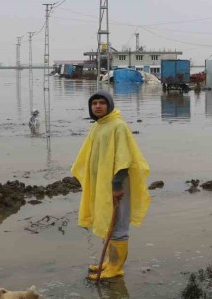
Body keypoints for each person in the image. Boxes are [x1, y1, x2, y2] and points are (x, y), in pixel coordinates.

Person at [71, 90, 151, 281]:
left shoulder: (118, 126)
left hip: (117, 183)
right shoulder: (99, 126)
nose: (97, 106)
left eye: (101, 103)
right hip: (103, 184)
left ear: (110, 105)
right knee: (108, 220)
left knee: (118, 225)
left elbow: (124, 158)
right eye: (94, 103)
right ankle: (108, 262)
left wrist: (116, 185)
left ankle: (116, 268)